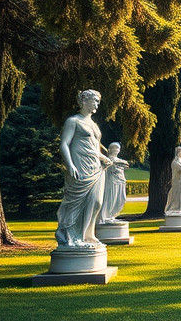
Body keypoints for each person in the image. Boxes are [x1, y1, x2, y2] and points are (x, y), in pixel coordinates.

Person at [55, 89, 112, 248]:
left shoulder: (93, 124)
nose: (97, 104)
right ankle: (70, 235)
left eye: (98, 102)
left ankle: (88, 235)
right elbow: (64, 144)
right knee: (76, 202)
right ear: (84, 101)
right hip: (80, 166)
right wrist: (70, 164)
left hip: (95, 167)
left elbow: (94, 148)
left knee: (96, 202)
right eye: (95, 101)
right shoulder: (73, 121)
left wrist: (104, 158)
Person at [99, 142, 129, 224]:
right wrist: (118, 163)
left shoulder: (119, 160)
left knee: (121, 199)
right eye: (114, 148)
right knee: (111, 199)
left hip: (121, 181)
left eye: (117, 148)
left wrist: (119, 163)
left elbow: (126, 164)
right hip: (112, 181)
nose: (116, 150)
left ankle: (112, 215)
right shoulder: (107, 159)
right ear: (109, 150)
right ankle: (106, 217)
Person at [164, 146, 181, 216]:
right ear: (178, 152)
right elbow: (180, 169)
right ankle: (176, 208)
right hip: (177, 182)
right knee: (177, 194)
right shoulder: (175, 162)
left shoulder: (180, 161)